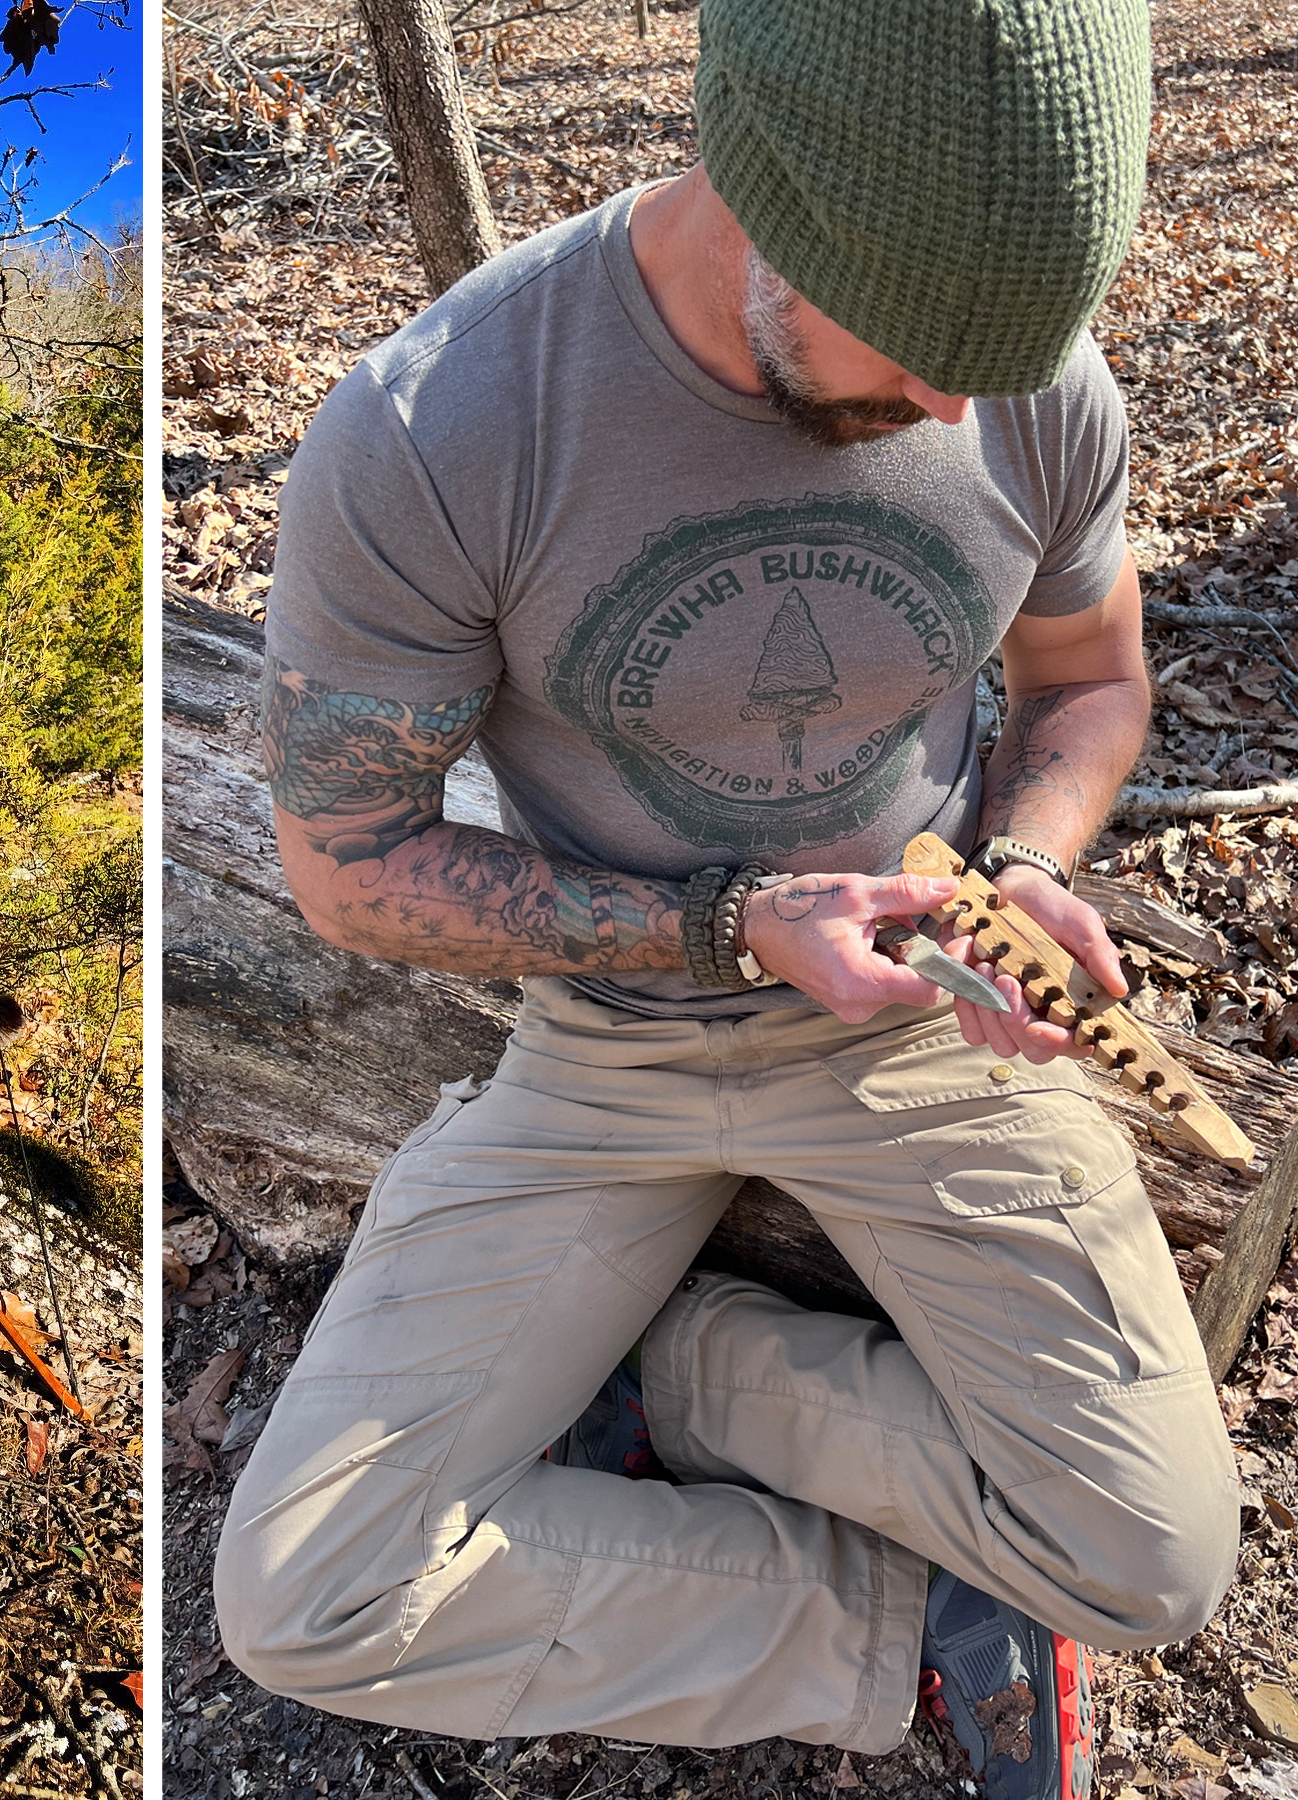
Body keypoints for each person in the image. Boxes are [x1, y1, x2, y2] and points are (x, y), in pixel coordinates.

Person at [210, 2, 1239, 1796]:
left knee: (1155, 1563)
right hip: (608, 1047)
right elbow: (346, 865)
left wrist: (1018, 872)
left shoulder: (1028, 385)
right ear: (761, 190)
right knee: (305, 1598)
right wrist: (725, 924)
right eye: (919, 350)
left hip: (926, 1027)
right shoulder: (446, 424)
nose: (951, 406)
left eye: (999, 362)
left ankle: (690, 1376)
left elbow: (1088, 679)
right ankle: (893, 1628)